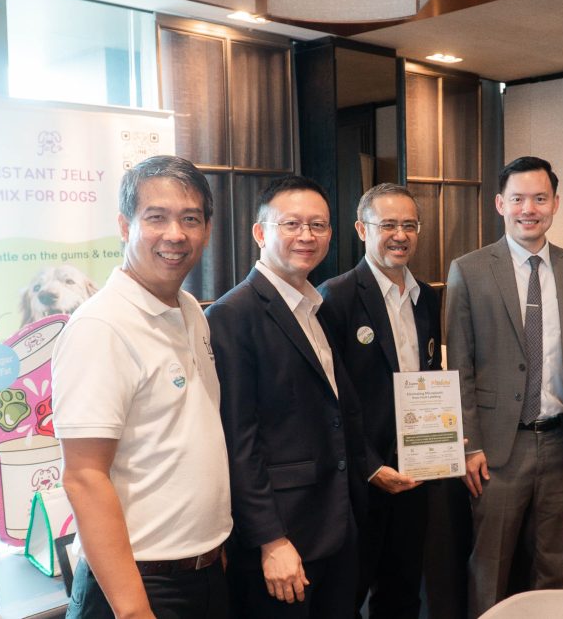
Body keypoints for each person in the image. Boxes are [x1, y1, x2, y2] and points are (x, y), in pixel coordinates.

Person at [52, 155, 231, 619]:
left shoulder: (190, 310)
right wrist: (134, 610)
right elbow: (84, 477)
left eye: (190, 219)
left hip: (202, 574)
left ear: (207, 230)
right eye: (156, 217)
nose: (175, 234)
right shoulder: (100, 326)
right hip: (138, 590)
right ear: (124, 225)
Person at [206, 175, 368, 618]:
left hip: (335, 523)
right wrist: (270, 540)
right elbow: (238, 440)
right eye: (291, 224)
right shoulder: (232, 315)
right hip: (283, 540)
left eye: (318, 225)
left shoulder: (315, 306)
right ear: (260, 232)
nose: (307, 236)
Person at [446, 156, 563, 618]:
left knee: (554, 565)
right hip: (497, 449)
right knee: (490, 566)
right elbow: (459, 367)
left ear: (555, 203)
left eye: (539, 198)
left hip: (561, 444)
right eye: (517, 199)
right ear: (500, 204)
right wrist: (469, 444)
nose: (528, 209)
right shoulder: (469, 270)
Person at [318, 183, 442, 619]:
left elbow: (429, 380)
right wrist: (370, 466)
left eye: (409, 225)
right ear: (362, 229)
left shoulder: (427, 297)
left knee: (404, 592)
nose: (400, 235)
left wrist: (439, 443)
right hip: (361, 477)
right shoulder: (335, 297)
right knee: (348, 595)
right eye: (388, 225)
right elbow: (329, 399)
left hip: (416, 473)